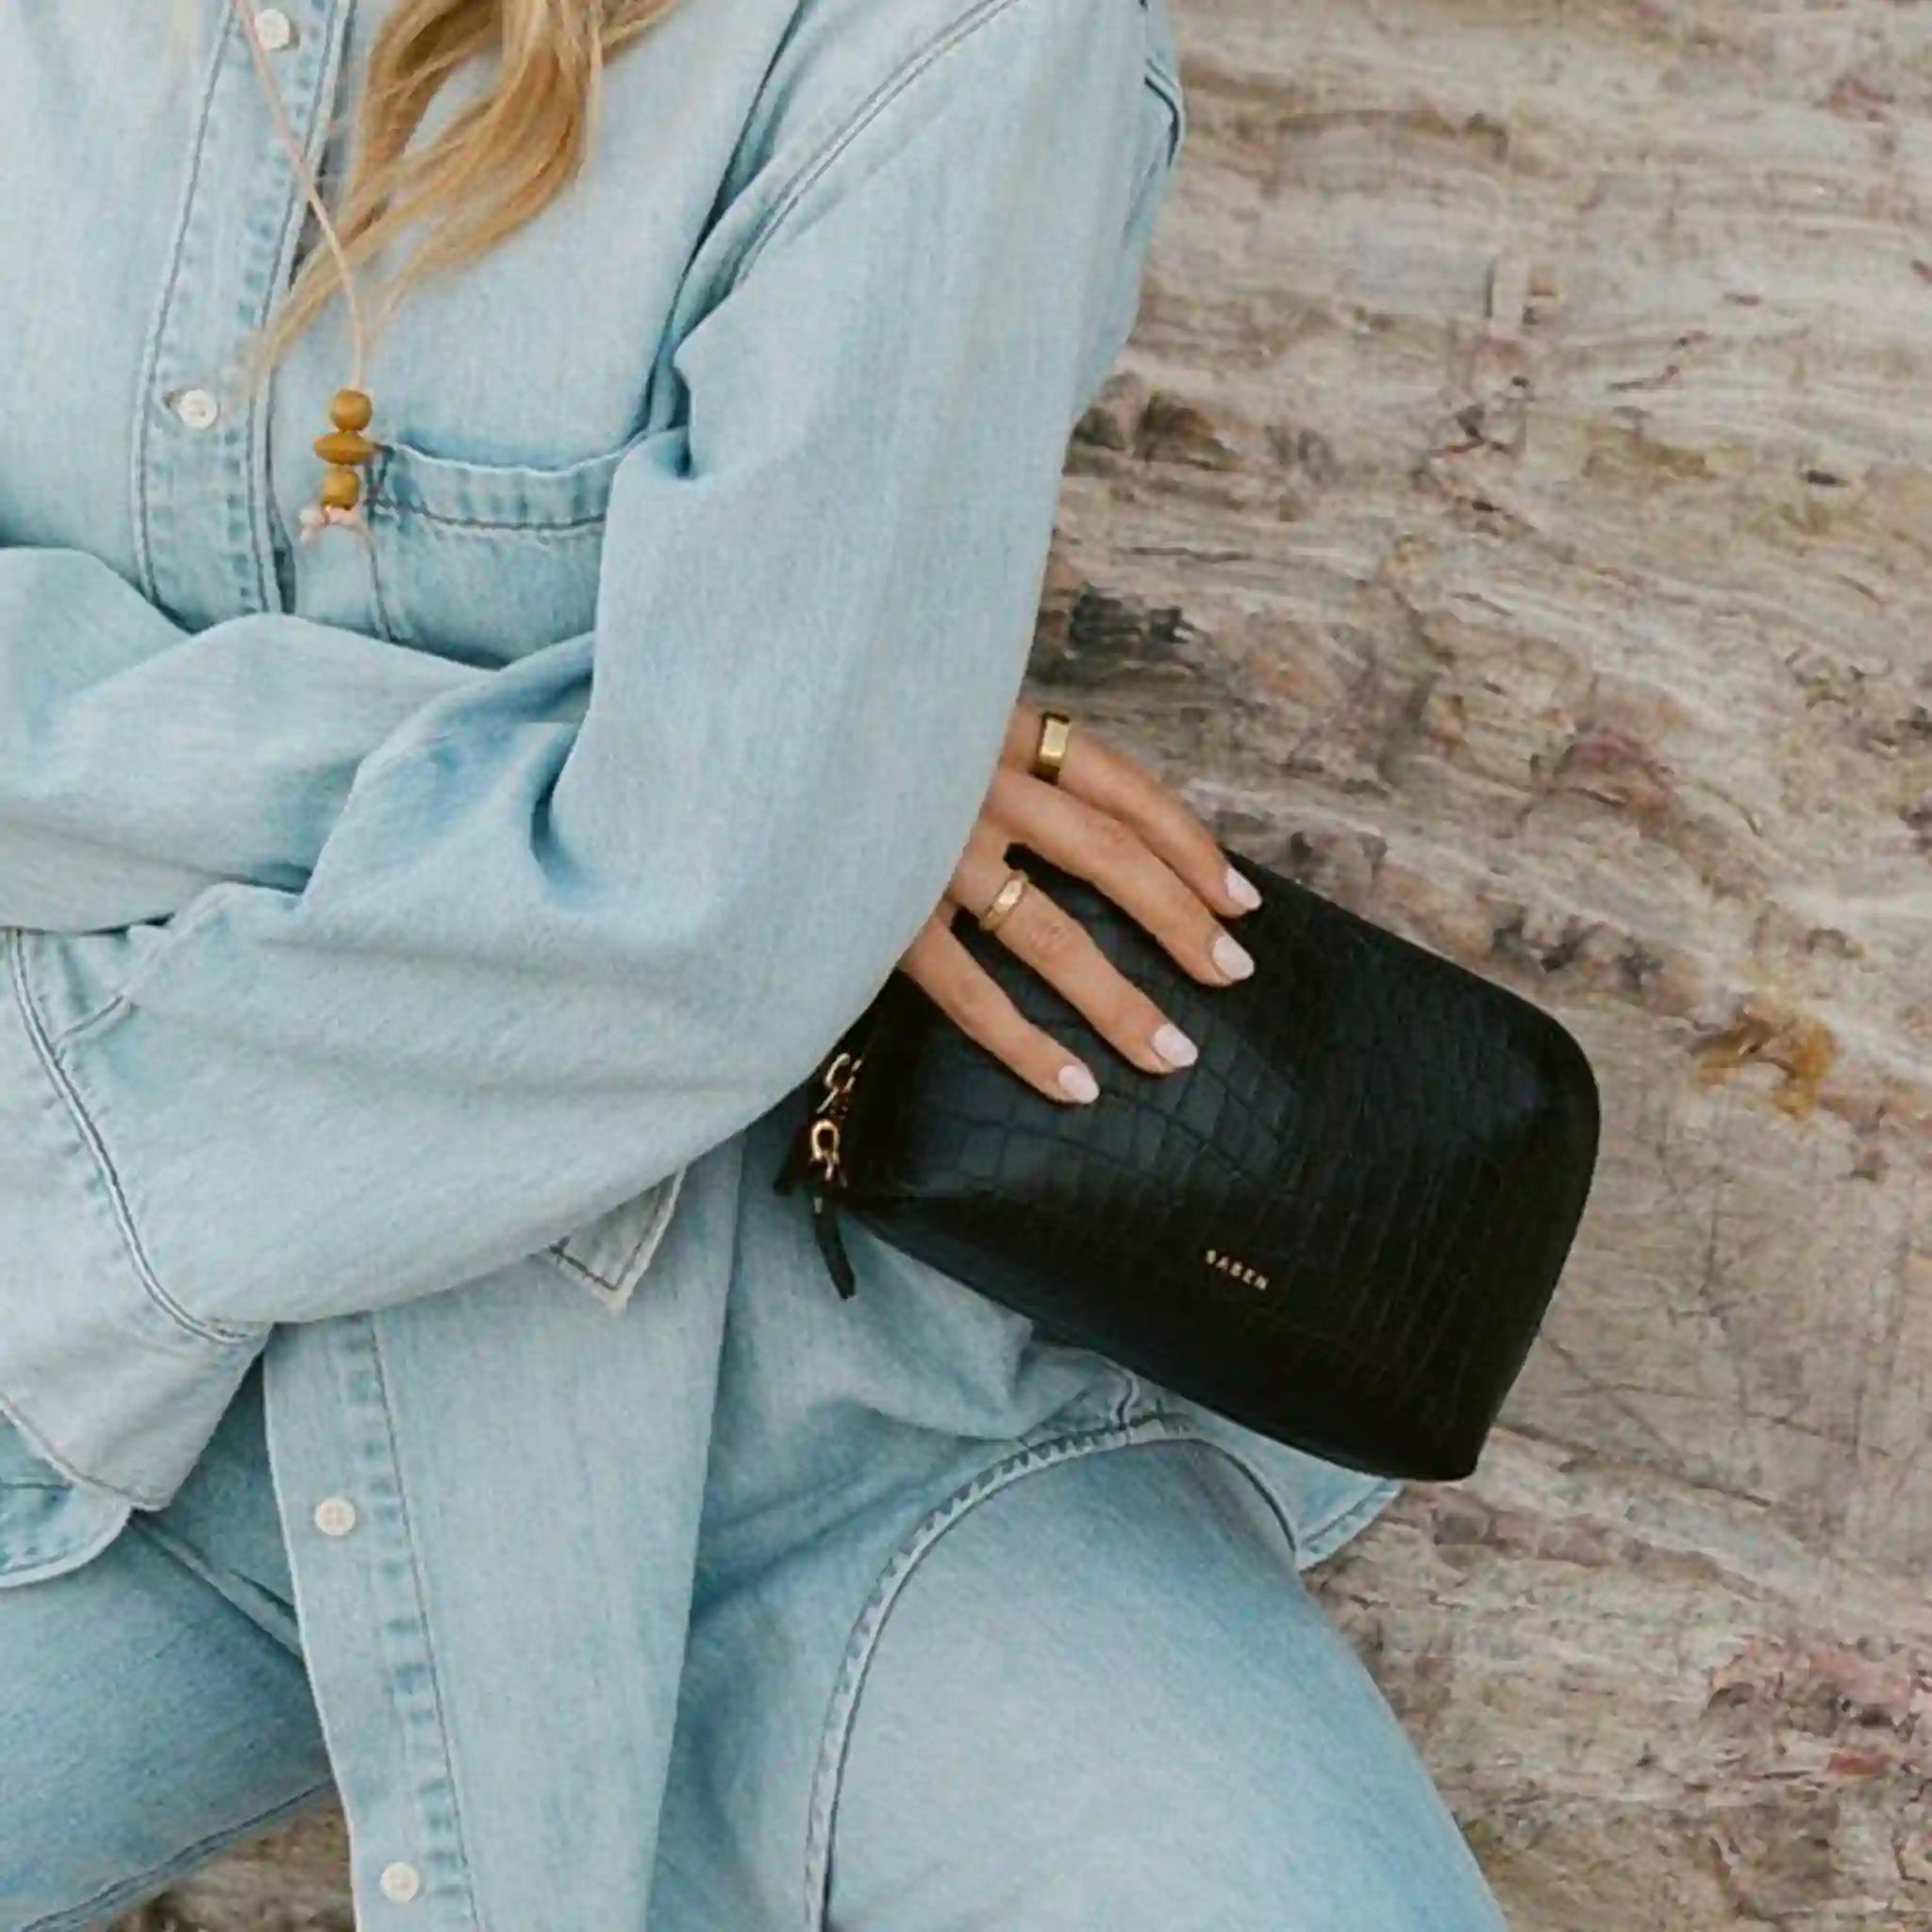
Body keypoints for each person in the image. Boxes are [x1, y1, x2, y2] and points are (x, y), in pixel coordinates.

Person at [0, 1, 1508, 1926]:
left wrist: (776, 785)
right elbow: (713, 848)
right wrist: (709, 748)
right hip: (118, 1384)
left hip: (785, 1396)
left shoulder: (939, 38)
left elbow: (698, 930)